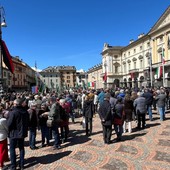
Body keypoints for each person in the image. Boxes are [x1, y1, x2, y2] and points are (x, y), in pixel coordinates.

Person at [7, 99, 29, 170]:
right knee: (21, 148)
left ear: (15, 104)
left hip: (14, 133)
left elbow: (9, 124)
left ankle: (13, 166)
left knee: (12, 148)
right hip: (21, 133)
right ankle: (21, 165)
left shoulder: (13, 112)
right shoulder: (25, 111)